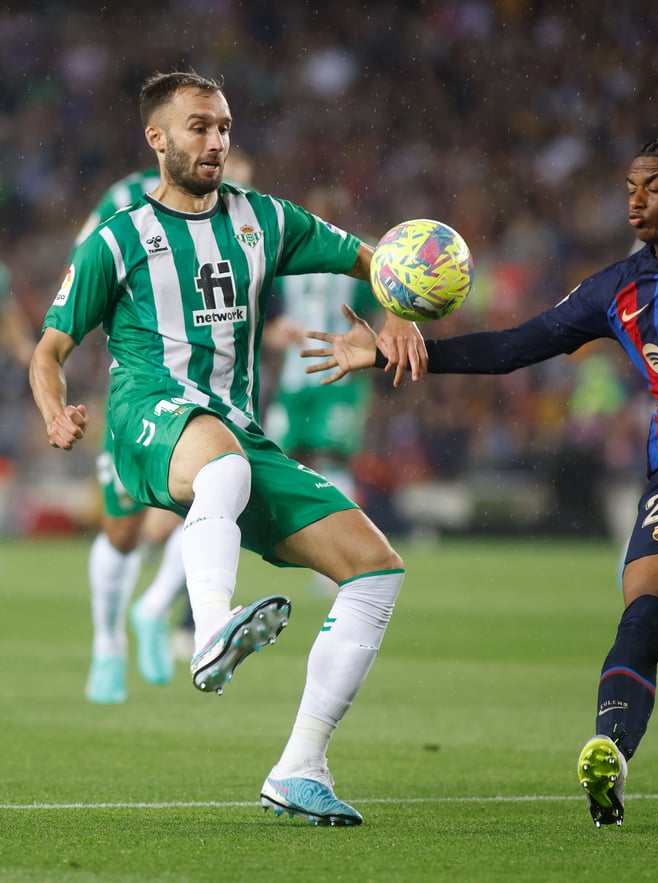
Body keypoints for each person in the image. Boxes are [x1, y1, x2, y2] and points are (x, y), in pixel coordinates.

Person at [302, 135, 658, 826]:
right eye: (630, 186)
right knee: (646, 614)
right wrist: (396, 353)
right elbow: (514, 347)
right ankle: (612, 752)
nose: (635, 199)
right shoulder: (617, 289)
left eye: (654, 186)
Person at [29, 70, 427, 826]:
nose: (216, 141)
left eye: (224, 127)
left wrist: (399, 309)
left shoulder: (263, 219)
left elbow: (371, 256)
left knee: (375, 569)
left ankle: (300, 767)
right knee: (222, 462)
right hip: (148, 416)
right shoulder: (118, 239)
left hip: (236, 433)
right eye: (199, 127)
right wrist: (55, 413)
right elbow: (49, 350)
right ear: (157, 139)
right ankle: (209, 624)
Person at [78, 149, 257, 703]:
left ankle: (155, 608)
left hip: (213, 394)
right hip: (143, 391)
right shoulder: (125, 200)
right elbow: (83, 274)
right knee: (123, 530)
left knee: (208, 502)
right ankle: (108, 643)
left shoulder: (244, 215)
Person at [264, 185, 379, 595]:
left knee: (315, 462)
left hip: (320, 378)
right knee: (306, 462)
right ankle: (320, 550)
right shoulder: (351, 262)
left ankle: (328, 553)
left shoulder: (289, 261)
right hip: (319, 378)